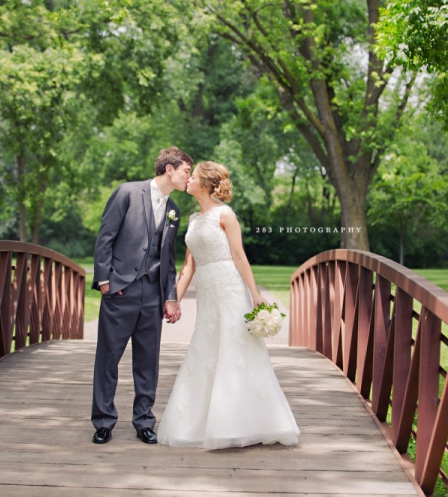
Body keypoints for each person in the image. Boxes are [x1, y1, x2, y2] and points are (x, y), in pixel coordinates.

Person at [157, 161, 300, 449]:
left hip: (230, 289)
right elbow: (188, 265)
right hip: (209, 295)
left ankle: (247, 423)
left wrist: (255, 293)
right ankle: (203, 423)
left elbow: (239, 256)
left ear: (206, 184)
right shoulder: (194, 219)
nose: (189, 181)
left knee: (236, 351)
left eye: (193, 177)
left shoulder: (225, 214)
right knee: (206, 349)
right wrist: (174, 300)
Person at [90, 147, 193, 445]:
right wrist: (105, 281)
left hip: (152, 295)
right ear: (170, 169)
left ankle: (144, 420)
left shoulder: (174, 208)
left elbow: (169, 259)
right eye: (187, 170)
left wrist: (170, 296)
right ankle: (103, 421)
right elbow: (105, 237)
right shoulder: (127, 193)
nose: (189, 176)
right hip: (121, 289)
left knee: (148, 360)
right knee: (108, 358)